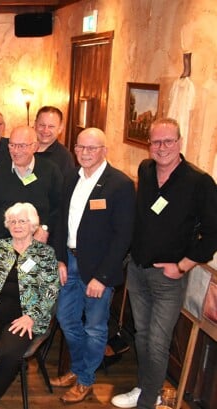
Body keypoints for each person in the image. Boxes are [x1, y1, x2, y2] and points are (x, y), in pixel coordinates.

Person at [111, 118, 217, 409]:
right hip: (138, 270)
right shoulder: (146, 171)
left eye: (168, 141)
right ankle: (148, 389)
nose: (162, 147)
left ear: (180, 142)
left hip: (169, 278)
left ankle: (148, 401)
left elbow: (212, 233)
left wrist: (181, 266)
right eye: (156, 142)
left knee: (157, 341)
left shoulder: (199, 182)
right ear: (149, 146)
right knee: (142, 336)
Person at [49, 128, 135, 404]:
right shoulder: (71, 178)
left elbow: (124, 236)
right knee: (65, 317)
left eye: (92, 148)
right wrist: (60, 257)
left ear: (104, 150)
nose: (85, 153)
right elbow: (62, 221)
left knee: (95, 328)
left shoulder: (119, 184)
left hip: (99, 270)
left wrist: (103, 276)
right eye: (80, 147)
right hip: (70, 262)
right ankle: (78, 368)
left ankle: (85, 379)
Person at [0, 202, 59, 409]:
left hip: (23, 316)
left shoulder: (45, 254)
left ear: (33, 225)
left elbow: (50, 291)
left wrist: (31, 316)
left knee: (8, 354)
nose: (17, 225)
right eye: (13, 221)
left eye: (22, 221)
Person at [0, 126, 63, 253]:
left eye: (22, 146)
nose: (16, 151)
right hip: (3, 249)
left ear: (34, 147)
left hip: (39, 248)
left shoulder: (50, 171)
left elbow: (59, 208)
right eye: (12, 145)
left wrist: (46, 228)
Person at [34, 106, 76, 178]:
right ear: (35, 125)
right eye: (42, 125)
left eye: (51, 126)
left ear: (60, 128)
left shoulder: (65, 157)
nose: (45, 130)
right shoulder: (23, 148)